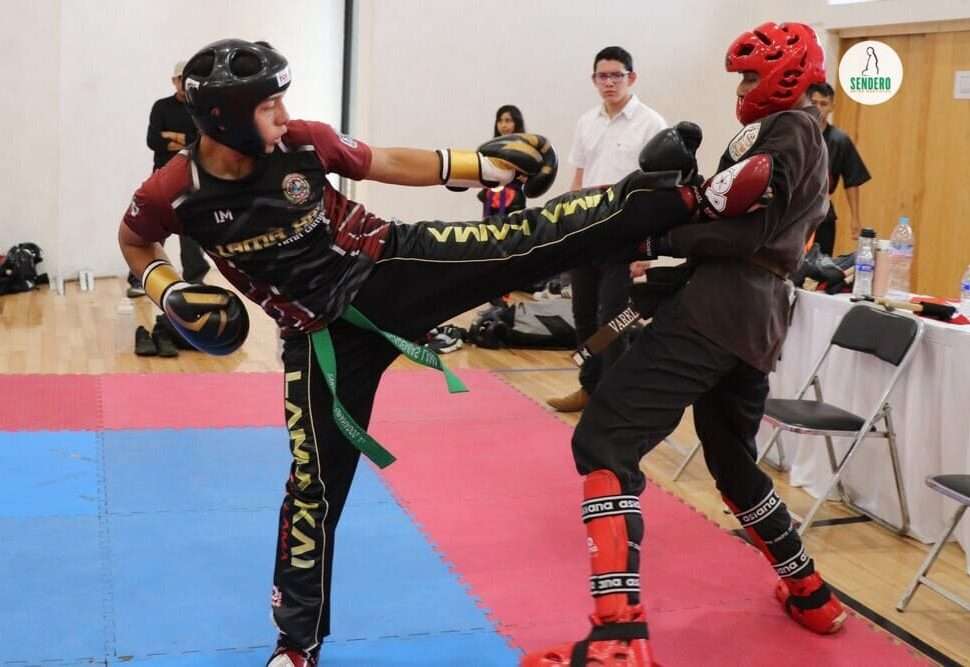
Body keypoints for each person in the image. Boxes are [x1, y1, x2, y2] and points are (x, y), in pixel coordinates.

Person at [117, 39, 711, 667]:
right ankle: (295, 646)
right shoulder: (173, 190)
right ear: (227, 120)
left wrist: (482, 166)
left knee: (517, 242)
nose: (284, 116)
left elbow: (385, 161)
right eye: (269, 107)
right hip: (317, 338)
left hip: (388, 268)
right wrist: (168, 289)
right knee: (312, 492)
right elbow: (134, 240)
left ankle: (672, 199)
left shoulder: (302, 143)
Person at [523, 23, 847, 667]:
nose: (743, 88)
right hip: (754, 320)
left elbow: (747, 232)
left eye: (750, 76)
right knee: (731, 461)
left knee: (605, 439)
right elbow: (743, 222)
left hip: (718, 311)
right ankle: (811, 594)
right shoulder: (793, 133)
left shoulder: (792, 128)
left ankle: (618, 640)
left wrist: (659, 239)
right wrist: (678, 231)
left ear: (784, 75)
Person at [547, 46, 667, 413]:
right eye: (603, 76)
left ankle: (615, 399)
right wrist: (566, 230)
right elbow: (579, 180)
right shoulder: (587, 121)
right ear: (594, 79)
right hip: (587, 233)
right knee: (583, 315)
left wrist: (647, 249)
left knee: (613, 320)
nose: (610, 82)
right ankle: (590, 387)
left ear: (632, 77)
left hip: (626, 237)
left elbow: (660, 192)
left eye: (617, 75)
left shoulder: (652, 124)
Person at [127, 60, 209, 298]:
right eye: (180, 78)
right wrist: (186, 139)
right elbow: (153, 140)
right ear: (174, 81)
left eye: (188, 78)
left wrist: (172, 137)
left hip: (192, 177)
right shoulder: (161, 107)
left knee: (191, 233)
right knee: (150, 229)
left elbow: (202, 141)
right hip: (162, 178)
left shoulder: (201, 108)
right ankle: (139, 279)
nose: (184, 82)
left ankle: (195, 281)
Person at [807, 81, 871, 256]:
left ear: (831, 107)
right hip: (793, 214)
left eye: (823, 104)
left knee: (821, 264)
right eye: (813, 103)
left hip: (823, 214)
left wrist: (855, 218)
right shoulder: (793, 134)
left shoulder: (839, 140)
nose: (818, 108)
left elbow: (852, 179)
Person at [477, 104, 528, 217]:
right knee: (489, 227)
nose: (503, 125)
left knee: (513, 227)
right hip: (491, 198)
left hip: (513, 199)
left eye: (508, 121)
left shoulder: (524, 148)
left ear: (516, 122)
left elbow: (529, 178)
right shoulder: (490, 148)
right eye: (500, 121)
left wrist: (524, 177)